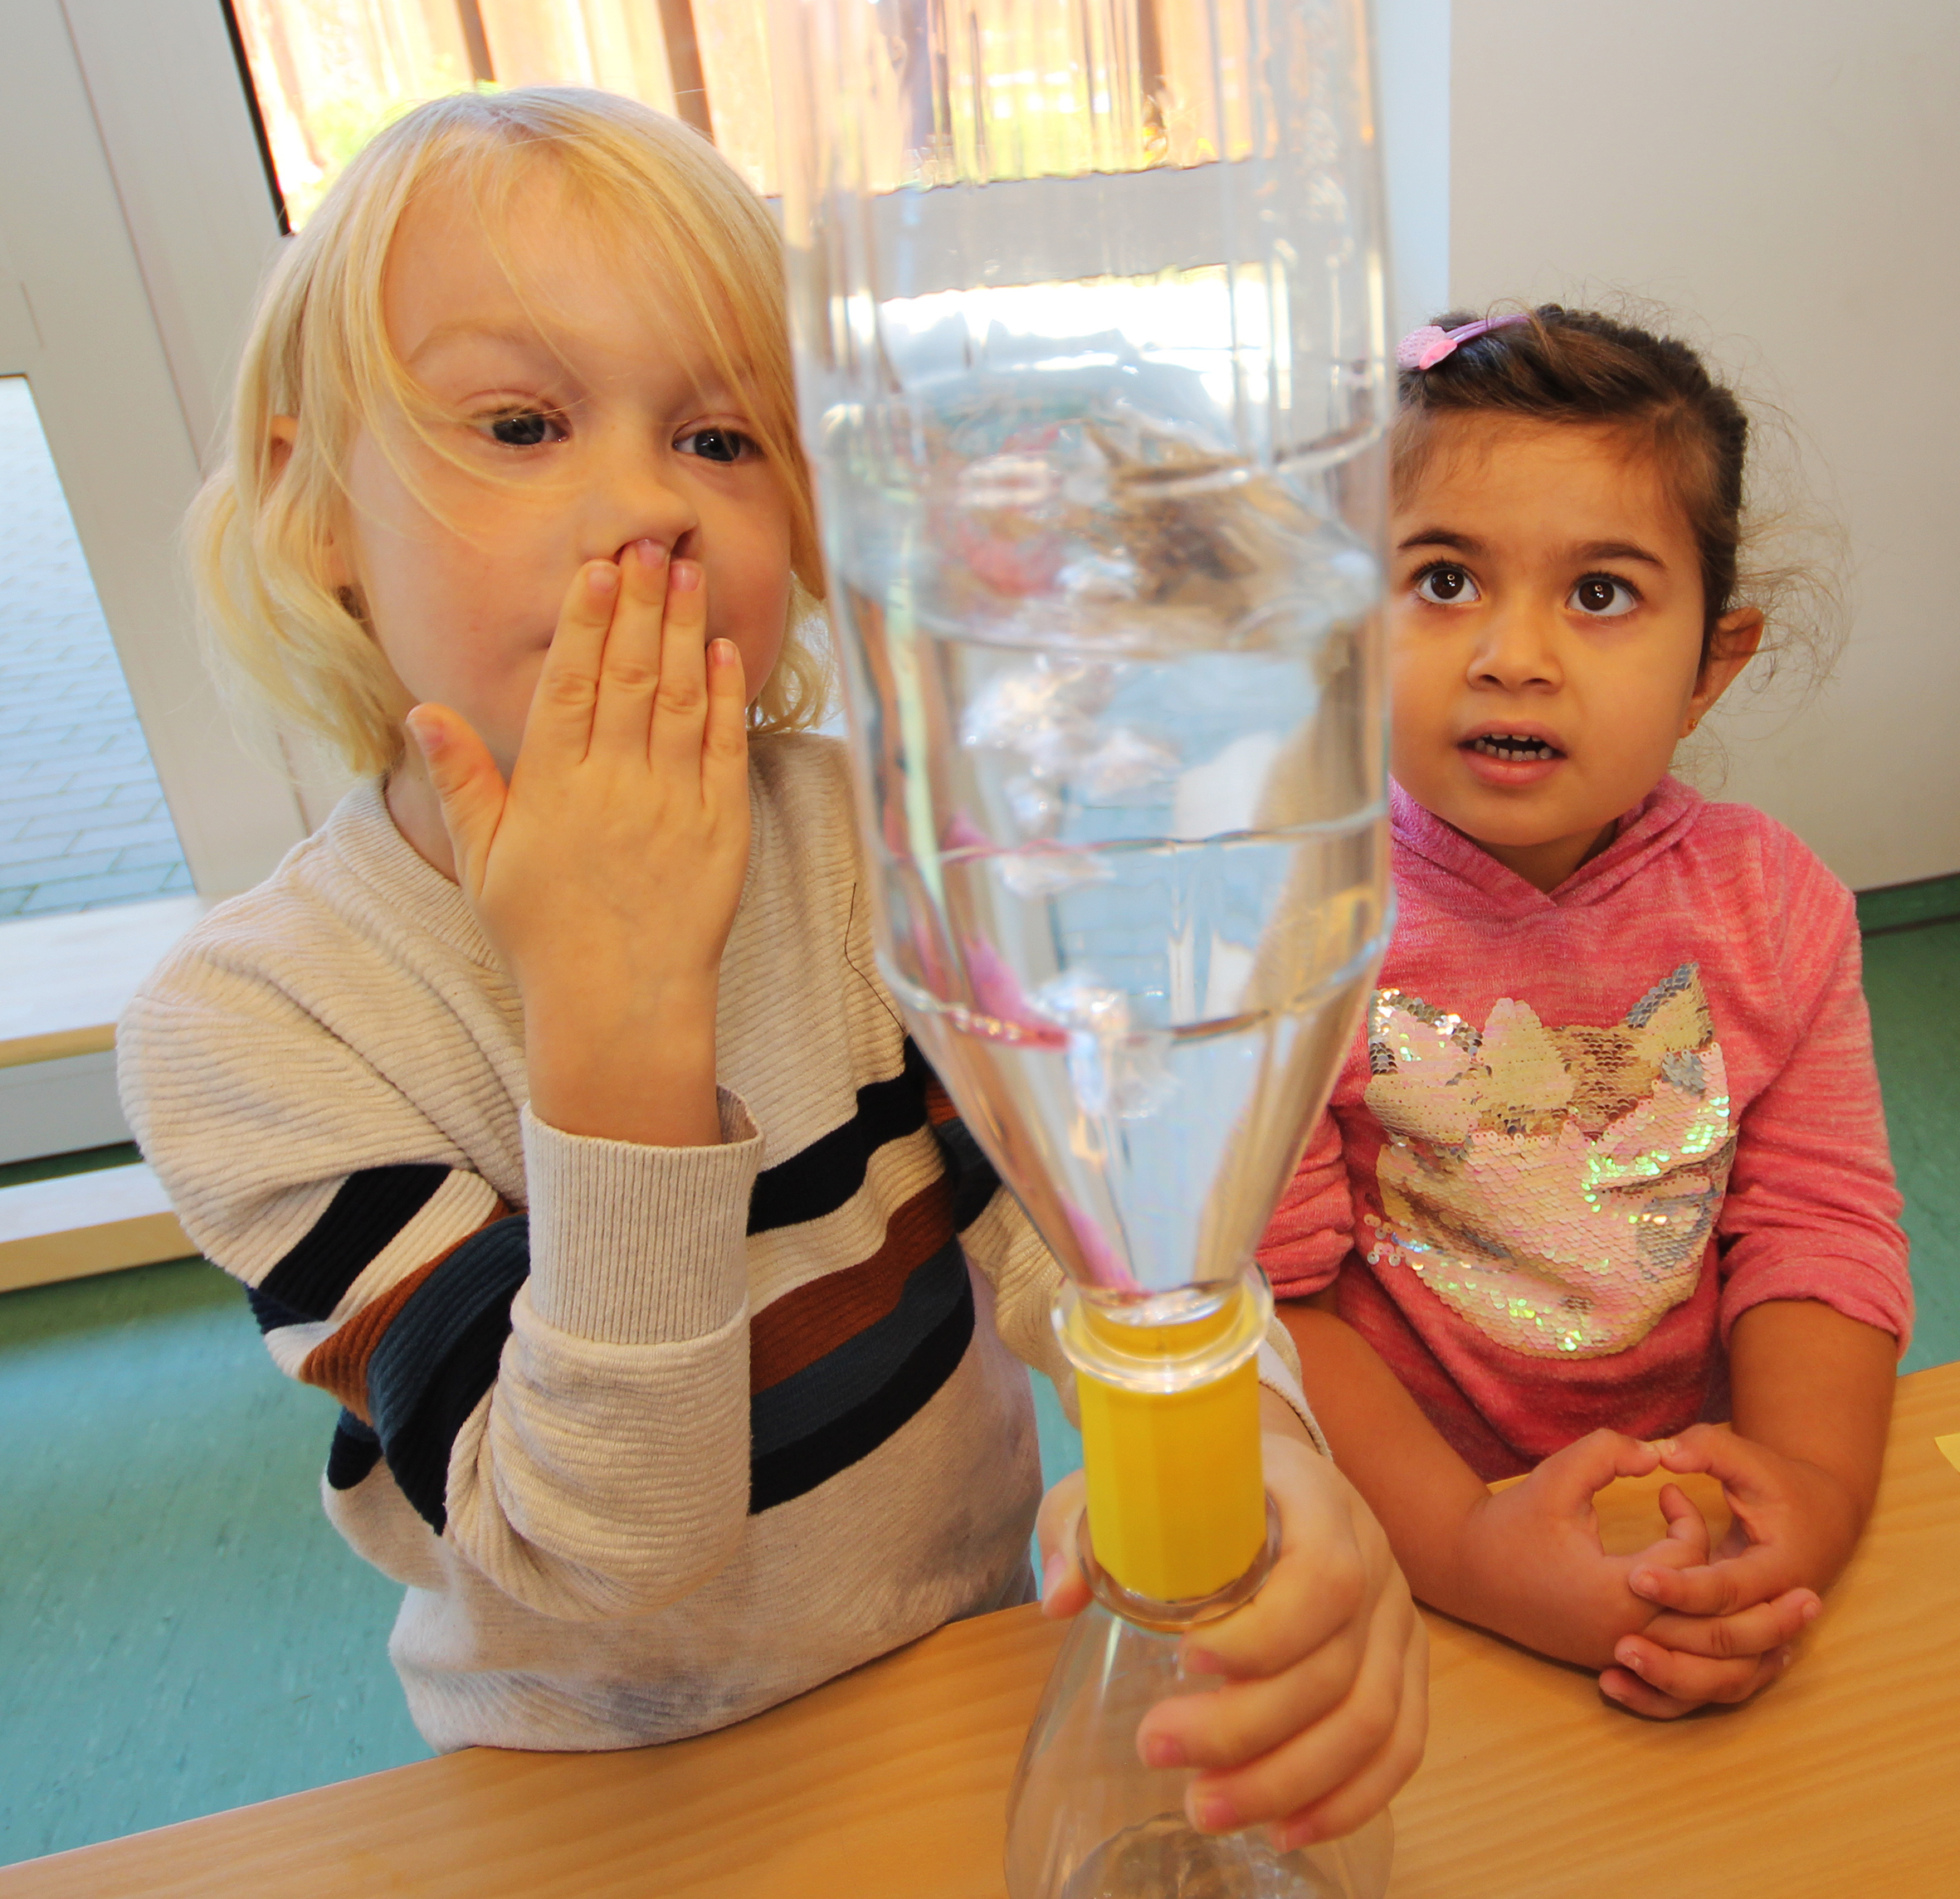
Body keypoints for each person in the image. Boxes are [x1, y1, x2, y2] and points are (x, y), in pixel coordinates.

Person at [115, 89, 1424, 1846]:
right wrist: (615, 1014)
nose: (644, 506)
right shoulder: (250, 1027)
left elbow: (1084, 1233)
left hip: (950, 1668)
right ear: (311, 503)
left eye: (722, 441)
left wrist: (1260, 1458)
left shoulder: (873, 850)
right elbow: (597, 1564)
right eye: (521, 422)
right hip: (589, 1770)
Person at [1261, 305, 1911, 1721]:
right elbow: (1276, 1298)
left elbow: (1819, 1229)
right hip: (1394, 1533)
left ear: (1709, 667)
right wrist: (1461, 1544)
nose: (1513, 653)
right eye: (1440, 581)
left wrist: (1809, 1488)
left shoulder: (1775, 907)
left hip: (1679, 1514)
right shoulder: (1288, 922)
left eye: (1600, 594)